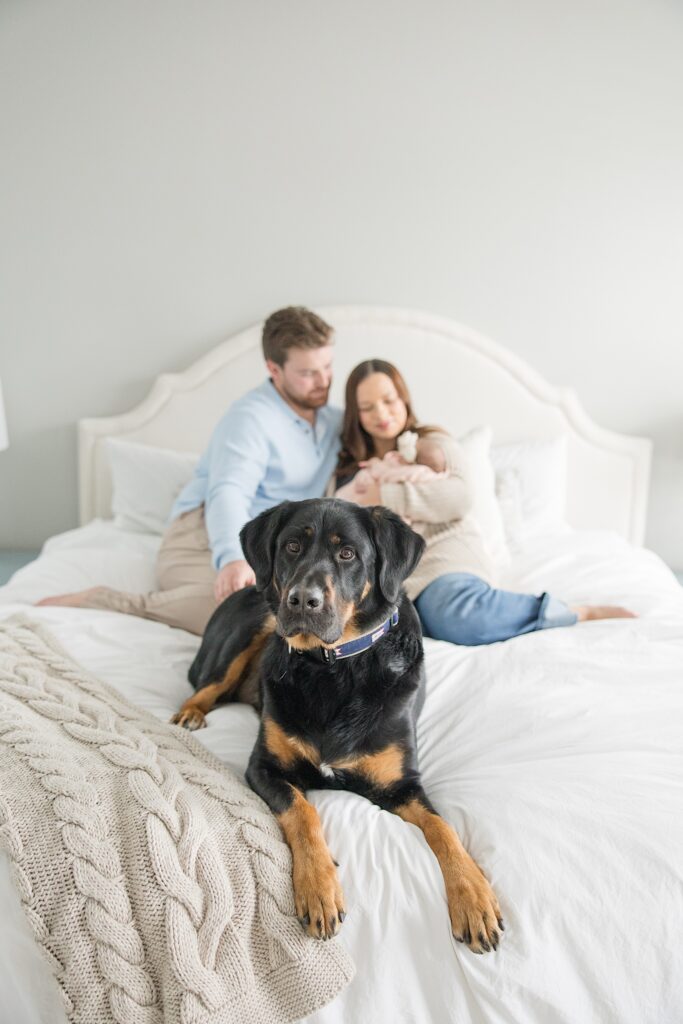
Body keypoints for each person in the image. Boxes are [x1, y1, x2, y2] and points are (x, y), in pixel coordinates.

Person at [38, 306, 343, 635]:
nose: (323, 380)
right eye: (309, 372)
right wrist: (232, 558)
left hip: (269, 540)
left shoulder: (331, 419)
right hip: (199, 534)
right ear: (274, 368)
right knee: (248, 615)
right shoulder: (251, 418)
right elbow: (227, 492)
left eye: (327, 366)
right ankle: (107, 601)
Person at [331, 359, 635, 646]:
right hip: (382, 581)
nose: (381, 414)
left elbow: (460, 497)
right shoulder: (347, 471)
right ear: (355, 415)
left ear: (404, 399)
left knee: (458, 616)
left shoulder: (432, 443)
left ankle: (574, 612)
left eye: (389, 400)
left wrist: (383, 496)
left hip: (441, 561)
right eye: (367, 407)